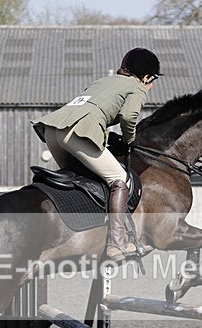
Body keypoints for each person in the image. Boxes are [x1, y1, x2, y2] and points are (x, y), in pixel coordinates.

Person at [32, 48, 161, 262]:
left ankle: (80, 232)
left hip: (53, 131)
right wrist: (129, 139)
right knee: (119, 180)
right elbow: (129, 117)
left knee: (80, 179)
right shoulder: (137, 87)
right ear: (146, 76)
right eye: (153, 79)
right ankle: (116, 244)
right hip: (76, 134)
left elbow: (94, 111)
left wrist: (108, 137)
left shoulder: (103, 81)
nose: (152, 85)